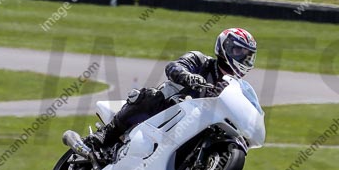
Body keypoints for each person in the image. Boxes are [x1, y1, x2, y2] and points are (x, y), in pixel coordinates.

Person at [83, 27, 257, 154]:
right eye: (237, 51)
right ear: (224, 48)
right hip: (167, 110)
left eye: (247, 55)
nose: (242, 58)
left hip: (192, 127)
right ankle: (104, 136)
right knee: (151, 97)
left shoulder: (235, 88)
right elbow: (174, 66)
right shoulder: (200, 60)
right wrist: (188, 77)